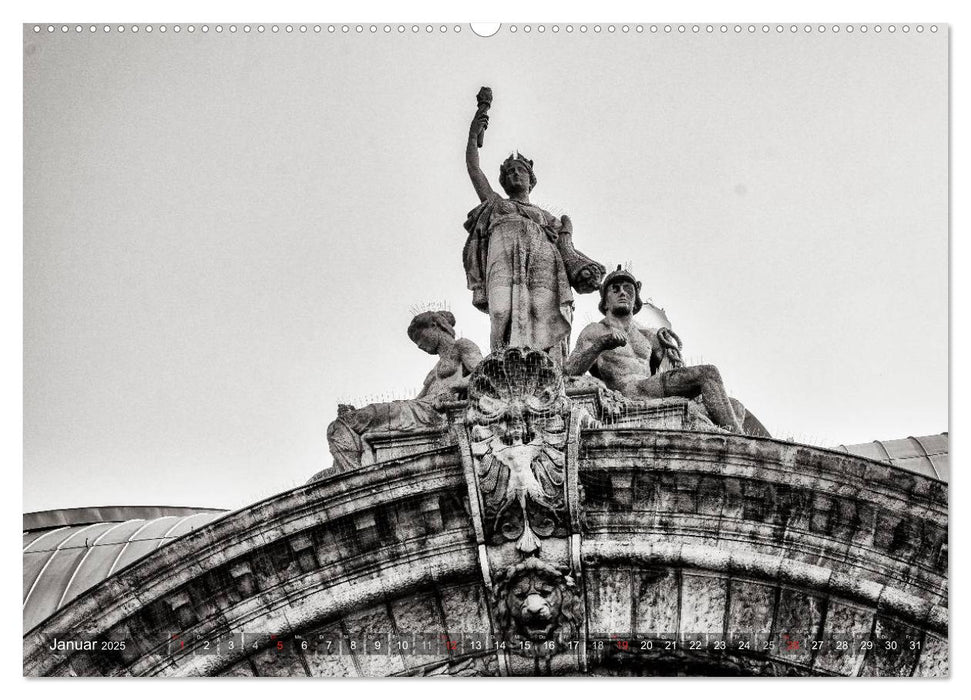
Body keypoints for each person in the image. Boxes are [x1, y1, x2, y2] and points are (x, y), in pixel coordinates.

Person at [462, 99, 605, 363]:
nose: (516, 174)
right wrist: (474, 133)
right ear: (504, 182)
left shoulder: (549, 218)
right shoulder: (495, 204)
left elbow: (567, 251)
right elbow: (473, 169)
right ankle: (501, 363)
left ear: (530, 180)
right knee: (501, 312)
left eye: (521, 171)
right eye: (511, 172)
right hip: (502, 258)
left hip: (542, 262)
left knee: (542, 311)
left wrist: (586, 267)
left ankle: (547, 366)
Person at [564, 267, 770, 436]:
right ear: (605, 301)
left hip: (653, 388)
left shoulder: (648, 337)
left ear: (636, 299)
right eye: (615, 289)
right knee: (709, 373)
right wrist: (601, 344)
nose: (622, 292)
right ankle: (740, 441)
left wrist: (669, 355)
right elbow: (570, 371)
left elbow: (673, 370)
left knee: (735, 405)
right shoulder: (596, 330)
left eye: (628, 288)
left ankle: (730, 437)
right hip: (629, 392)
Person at [325, 310, 483, 470]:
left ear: (434, 326)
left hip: (434, 413)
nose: (419, 345)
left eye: (420, 338)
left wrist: (453, 387)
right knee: (348, 421)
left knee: (355, 420)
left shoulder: (462, 345)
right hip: (420, 409)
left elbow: (483, 375)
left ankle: (354, 477)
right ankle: (352, 469)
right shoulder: (435, 369)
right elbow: (416, 401)